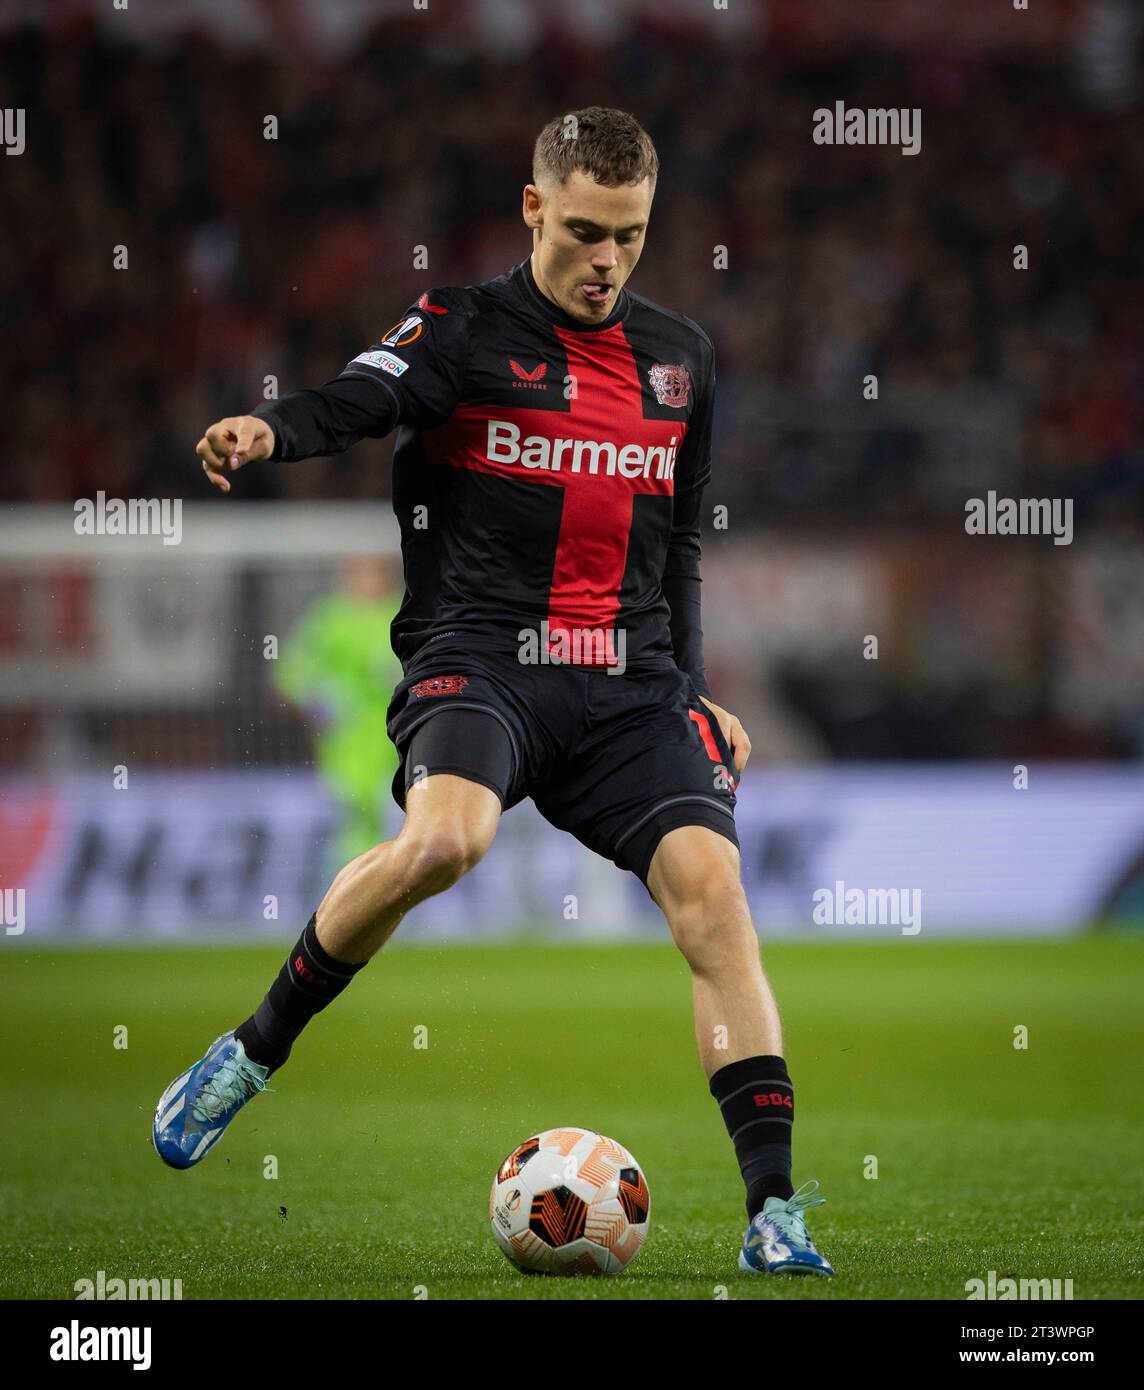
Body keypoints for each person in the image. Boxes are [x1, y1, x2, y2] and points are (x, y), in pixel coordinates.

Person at [154, 107, 832, 1278]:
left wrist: (699, 688)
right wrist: (267, 429)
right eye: (581, 231)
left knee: (715, 894)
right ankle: (249, 1053)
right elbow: (355, 399)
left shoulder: (683, 359)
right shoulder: (461, 328)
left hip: (627, 682)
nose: (605, 259)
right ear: (533, 210)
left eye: (627, 235)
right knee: (447, 842)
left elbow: (677, 547)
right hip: (483, 658)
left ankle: (774, 1210)